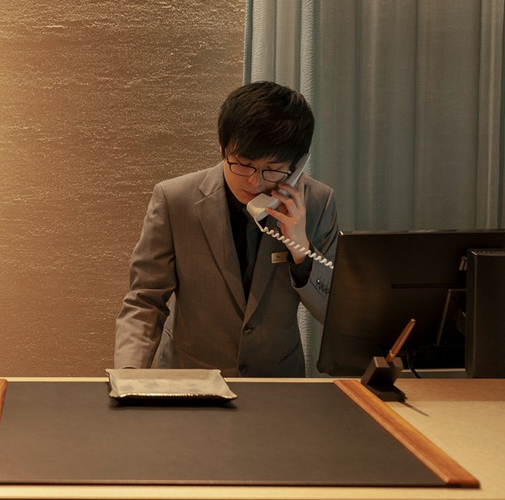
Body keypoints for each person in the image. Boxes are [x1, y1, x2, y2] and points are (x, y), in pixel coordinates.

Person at [114, 81, 339, 377]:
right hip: (190, 377)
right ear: (222, 148)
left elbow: (336, 314)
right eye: (243, 164)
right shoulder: (175, 199)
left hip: (277, 379)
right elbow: (145, 300)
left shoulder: (318, 202)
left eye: (273, 169)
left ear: (297, 166)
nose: (254, 181)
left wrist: (302, 252)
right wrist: (129, 376)